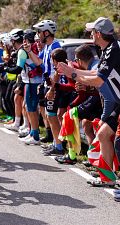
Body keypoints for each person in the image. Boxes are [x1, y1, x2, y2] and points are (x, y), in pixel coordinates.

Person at [57, 17, 119, 186]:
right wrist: (73, 71)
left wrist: (73, 74)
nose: (90, 34)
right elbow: (95, 74)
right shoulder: (106, 50)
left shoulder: (114, 49)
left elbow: (98, 81)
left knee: (116, 142)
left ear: (98, 34)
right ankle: (108, 179)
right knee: (103, 135)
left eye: (92, 31)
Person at [25, 20, 63, 155]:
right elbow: (39, 62)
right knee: (50, 115)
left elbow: (59, 69)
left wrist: (52, 88)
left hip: (55, 85)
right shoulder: (47, 46)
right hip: (49, 84)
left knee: (52, 115)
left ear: (46, 33)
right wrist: (29, 51)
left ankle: (59, 146)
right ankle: (56, 143)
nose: (38, 35)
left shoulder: (55, 46)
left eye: (39, 32)